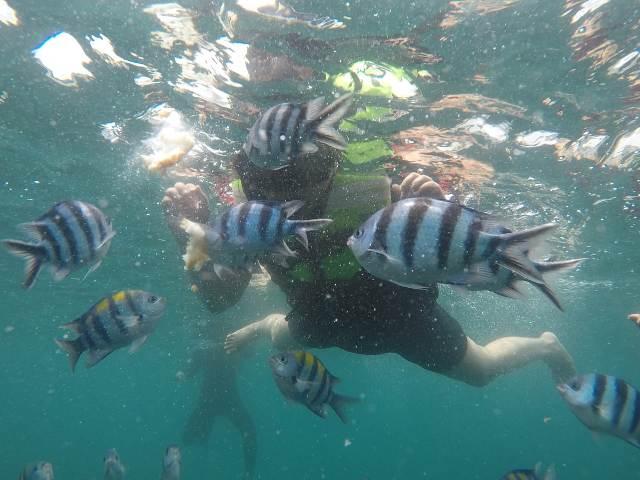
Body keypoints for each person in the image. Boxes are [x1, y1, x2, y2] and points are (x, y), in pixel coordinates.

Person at [162, 116, 576, 389]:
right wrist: (193, 238)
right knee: (280, 333)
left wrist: (433, 204)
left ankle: (546, 345)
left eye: (302, 176)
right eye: (266, 184)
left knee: (481, 371)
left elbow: (451, 243)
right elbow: (220, 300)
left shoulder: (375, 190)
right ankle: (264, 324)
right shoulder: (245, 219)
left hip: (401, 318)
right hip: (317, 316)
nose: (287, 194)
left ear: (328, 168)